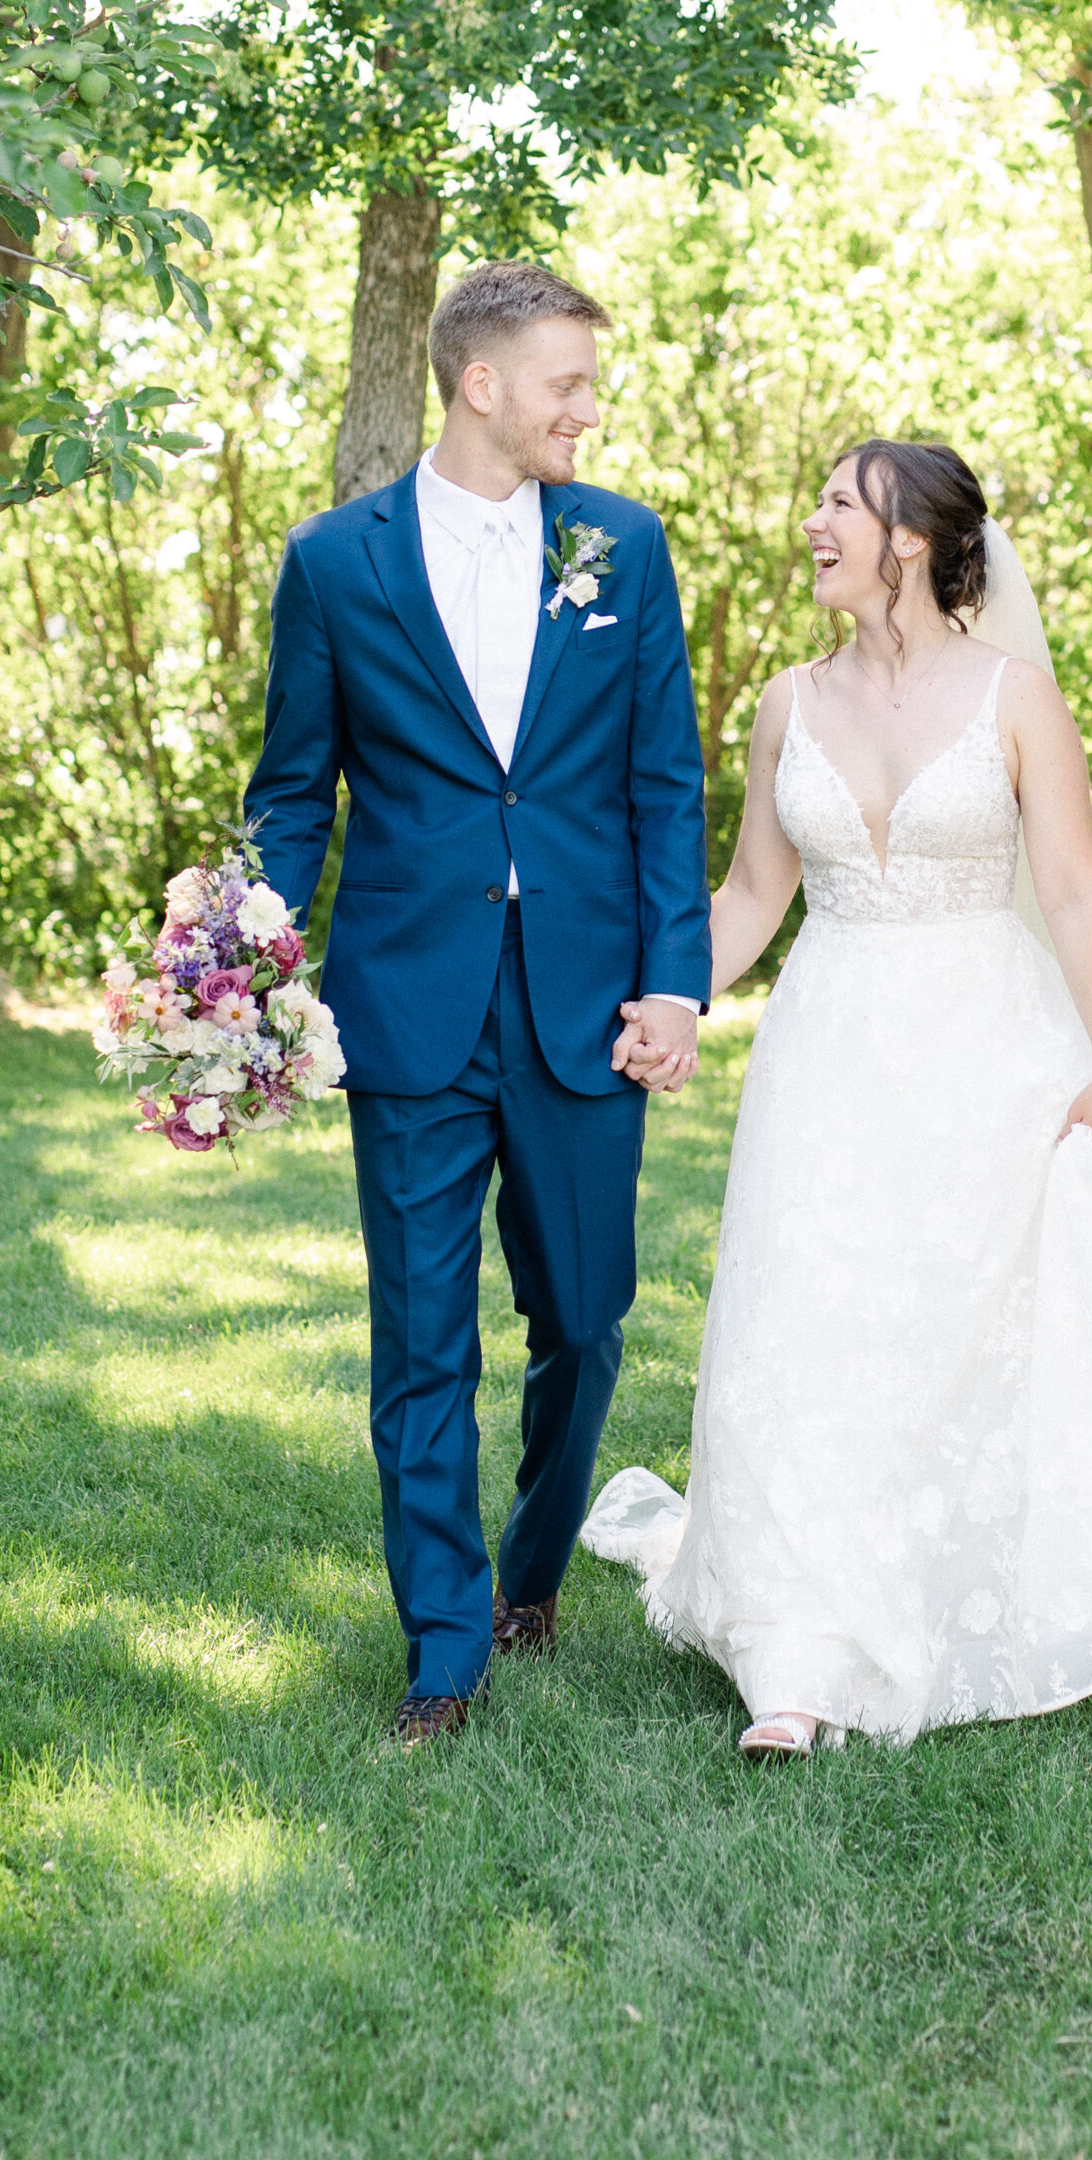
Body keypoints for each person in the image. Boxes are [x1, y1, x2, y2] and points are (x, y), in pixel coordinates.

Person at [586, 439, 1092, 1756]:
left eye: (837, 504)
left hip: (987, 1046)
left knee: (963, 1329)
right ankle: (794, 1658)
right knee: (809, 1324)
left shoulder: (1016, 696)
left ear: (907, 538)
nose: (812, 525)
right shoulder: (790, 702)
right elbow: (749, 894)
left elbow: (1074, 887)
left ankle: (946, 1588)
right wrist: (678, 994)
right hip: (828, 1049)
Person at [245, 261, 710, 1746]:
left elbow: (664, 787)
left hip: (583, 1002)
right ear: (481, 384)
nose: (591, 405)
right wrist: (244, 968)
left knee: (584, 1320)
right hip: (405, 1004)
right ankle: (446, 1648)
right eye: (568, 381)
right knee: (422, 1340)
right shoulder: (333, 562)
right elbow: (292, 795)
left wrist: (677, 982)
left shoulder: (625, 552)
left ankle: (532, 1563)